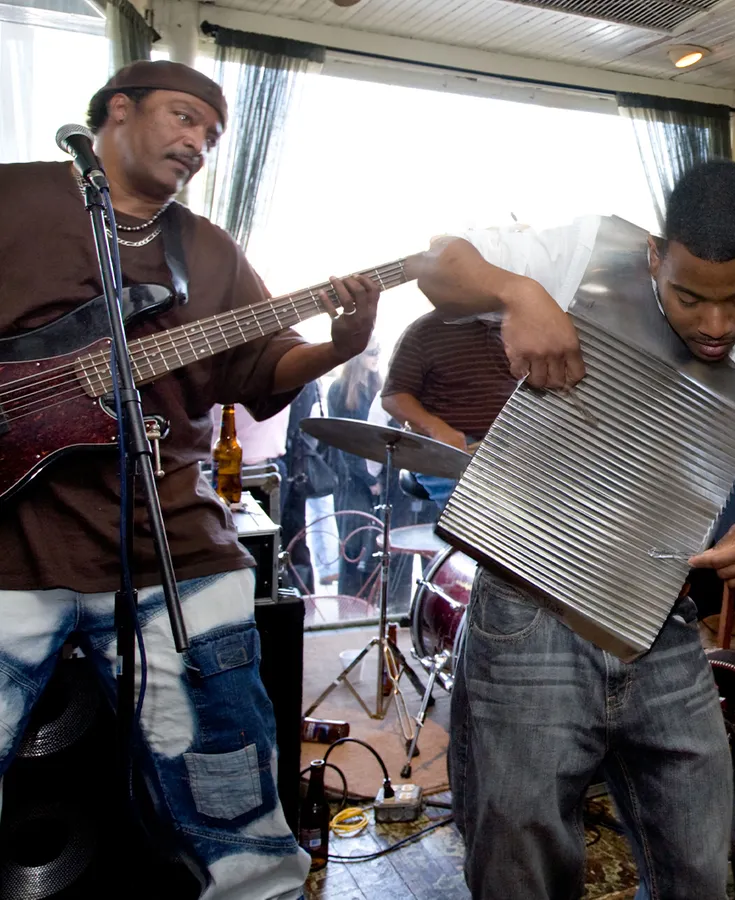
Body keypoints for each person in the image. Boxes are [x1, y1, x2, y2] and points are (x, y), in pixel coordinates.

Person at [0, 61, 381, 899]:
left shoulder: (205, 249)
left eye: (211, 134)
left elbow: (263, 363)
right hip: (13, 552)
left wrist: (340, 346)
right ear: (116, 112)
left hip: (172, 544)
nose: (198, 143)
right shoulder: (15, 198)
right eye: (184, 119)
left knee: (229, 779)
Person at [407, 159, 735, 899]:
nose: (716, 325)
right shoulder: (584, 260)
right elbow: (435, 262)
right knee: (521, 865)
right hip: (529, 614)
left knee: (700, 855)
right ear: (656, 256)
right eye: (690, 296)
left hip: (658, 618)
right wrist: (517, 292)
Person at [380, 310, 520, 501]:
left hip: (501, 448)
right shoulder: (424, 331)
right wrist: (436, 429)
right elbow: (393, 397)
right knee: (479, 517)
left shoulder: (512, 327)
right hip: (444, 450)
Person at [327, 346, 384, 598]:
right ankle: (349, 608)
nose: (376, 357)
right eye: (372, 352)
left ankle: (367, 607)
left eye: (379, 352)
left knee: (372, 549)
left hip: (375, 475)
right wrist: (369, 478)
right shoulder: (340, 390)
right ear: (358, 354)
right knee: (352, 547)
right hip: (351, 479)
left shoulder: (377, 387)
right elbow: (344, 442)